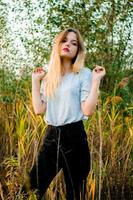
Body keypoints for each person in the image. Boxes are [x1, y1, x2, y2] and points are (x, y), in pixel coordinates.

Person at [25, 28, 106, 200]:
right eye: (65, 41)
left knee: (75, 194)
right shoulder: (49, 77)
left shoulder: (84, 74)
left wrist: (96, 81)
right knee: (30, 190)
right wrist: (35, 81)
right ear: (58, 45)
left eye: (74, 43)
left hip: (75, 138)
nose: (68, 44)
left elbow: (88, 110)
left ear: (78, 50)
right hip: (51, 137)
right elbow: (39, 110)